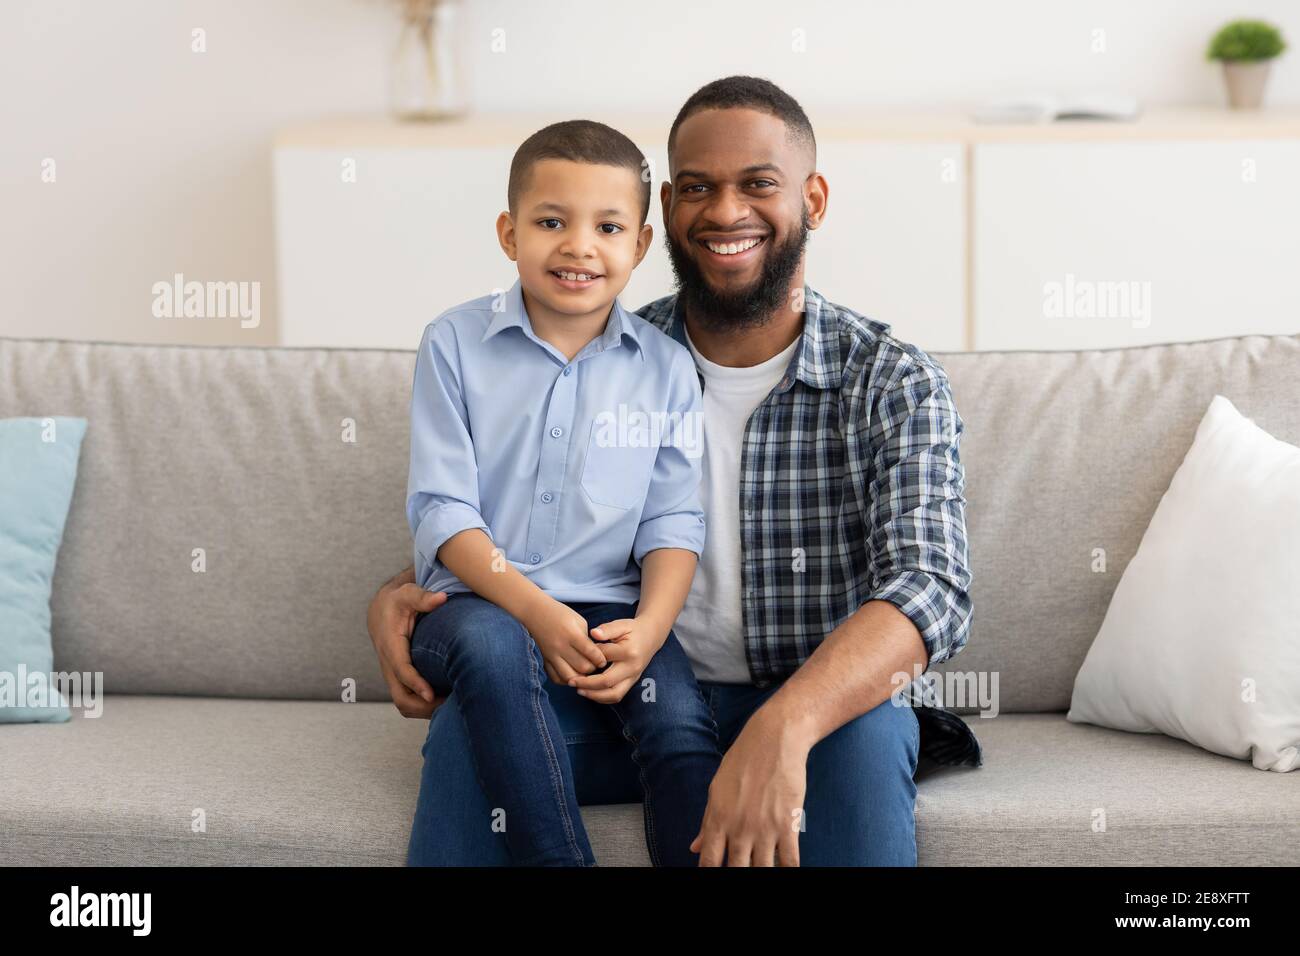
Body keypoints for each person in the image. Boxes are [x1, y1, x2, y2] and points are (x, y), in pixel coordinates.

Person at [373, 77, 978, 867]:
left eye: (759, 183)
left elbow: (930, 588)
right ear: (666, 215)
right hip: (621, 695)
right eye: (698, 188)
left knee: (867, 738)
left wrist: (784, 724)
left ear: (815, 198)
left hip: (815, 707)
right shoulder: (602, 347)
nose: (726, 212)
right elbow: (512, 510)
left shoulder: (890, 380)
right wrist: (400, 592)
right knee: (467, 731)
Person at [403, 119, 721, 866]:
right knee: (496, 652)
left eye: (608, 226)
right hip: (475, 606)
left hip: (613, 606)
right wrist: (538, 612)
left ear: (640, 247)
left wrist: (648, 628)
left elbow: (674, 520)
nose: (579, 246)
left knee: (677, 719)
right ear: (509, 234)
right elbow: (444, 512)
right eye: (552, 222)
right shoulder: (453, 343)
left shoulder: (667, 369)